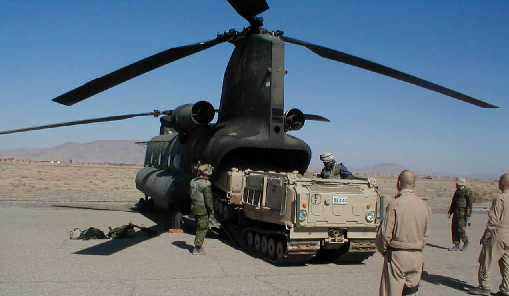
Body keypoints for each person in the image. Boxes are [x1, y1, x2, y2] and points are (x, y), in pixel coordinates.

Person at [377, 170, 432, 296]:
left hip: (397, 257)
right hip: (417, 257)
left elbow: (384, 235)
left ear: (399, 183)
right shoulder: (424, 206)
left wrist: (384, 251)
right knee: (412, 292)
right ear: (414, 184)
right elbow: (426, 234)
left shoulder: (395, 204)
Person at [470, 173, 509, 296]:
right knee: (506, 262)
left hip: (498, 233)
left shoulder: (500, 198)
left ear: (503, 183)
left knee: (486, 260)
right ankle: (506, 289)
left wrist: (486, 236)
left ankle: (484, 286)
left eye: (499, 181)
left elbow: (493, 221)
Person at [190, 163, 215, 255]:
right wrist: (211, 210)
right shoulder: (206, 184)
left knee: (198, 226)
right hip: (202, 209)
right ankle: (197, 248)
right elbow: (208, 200)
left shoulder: (193, 181)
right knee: (203, 228)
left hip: (194, 207)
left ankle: (197, 245)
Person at [447, 177, 474, 251]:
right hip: (456, 213)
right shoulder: (457, 191)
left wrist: (468, 216)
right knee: (454, 228)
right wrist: (450, 211)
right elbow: (453, 202)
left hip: (463, 214)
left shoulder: (468, 191)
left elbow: (469, 205)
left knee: (460, 229)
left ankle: (466, 242)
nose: (456, 184)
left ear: (460, 183)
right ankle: (456, 245)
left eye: (457, 183)